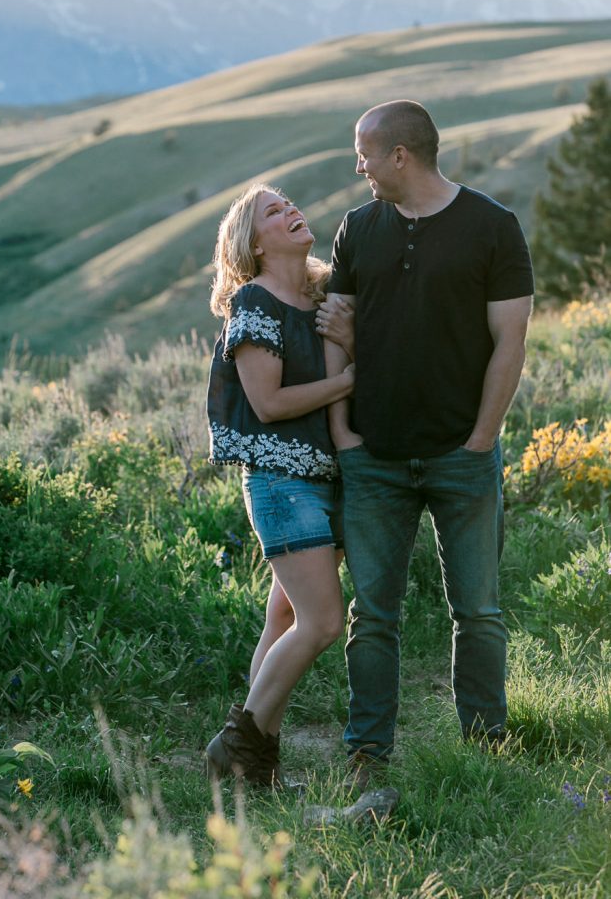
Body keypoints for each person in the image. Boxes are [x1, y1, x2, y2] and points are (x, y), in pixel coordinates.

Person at [317, 100, 534, 787]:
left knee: (477, 611)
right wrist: (344, 434)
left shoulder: (492, 228)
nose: (358, 166)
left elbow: (510, 342)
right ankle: (366, 756)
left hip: (460, 456)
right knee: (371, 616)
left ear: (400, 156)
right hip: (373, 456)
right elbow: (336, 329)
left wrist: (480, 438)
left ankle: (484, 752)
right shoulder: (356, 229)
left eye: (364, 154)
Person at [205, 182, 354, 787]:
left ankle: (253, 760)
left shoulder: (322, 295)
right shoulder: (255, 303)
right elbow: (267, 403)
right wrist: (351, 380)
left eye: (290, 202)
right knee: (321, 623)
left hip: (330, 477)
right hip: (281, 480)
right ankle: (236, 748)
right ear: (254, 243)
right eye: (274, 211)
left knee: (284, 617)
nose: (291, 210)